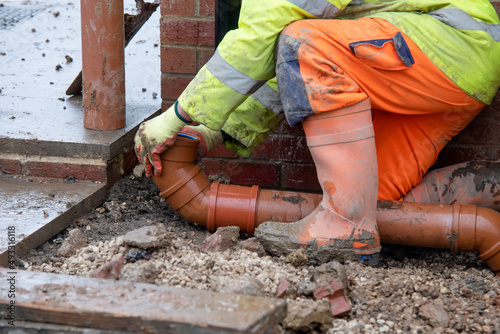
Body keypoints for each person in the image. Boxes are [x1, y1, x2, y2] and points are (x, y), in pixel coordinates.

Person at [134, 0, 500, 264]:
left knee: (305, 42)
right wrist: (216, 132)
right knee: (376, 201)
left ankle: (343, 225)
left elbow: (274, 47)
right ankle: (487, 191)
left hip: (450, 43)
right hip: (450, 66)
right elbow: (289, 70)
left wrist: (178, 116)